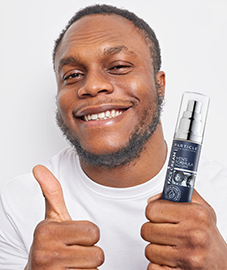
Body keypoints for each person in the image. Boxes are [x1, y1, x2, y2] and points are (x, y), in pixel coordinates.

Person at [0, 4, 227, 270]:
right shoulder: (18, 203)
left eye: (118, 66)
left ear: (160, 84)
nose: (92, 86)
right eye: (72, 75)